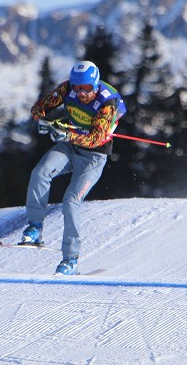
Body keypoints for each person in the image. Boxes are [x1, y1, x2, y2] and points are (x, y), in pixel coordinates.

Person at [23, 60, 126, 275]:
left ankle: (71, 259)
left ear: (95, 84)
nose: (81, 93)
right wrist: (43, 119)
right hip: (70, 147)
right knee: (40, 172)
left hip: (94, 157)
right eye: (77, 88)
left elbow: (96, 138)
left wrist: (68, 134)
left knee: (71, 200)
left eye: (86, 88)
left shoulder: (107, 103)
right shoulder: (67, 88)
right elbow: (39, 108)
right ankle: (35, 227)